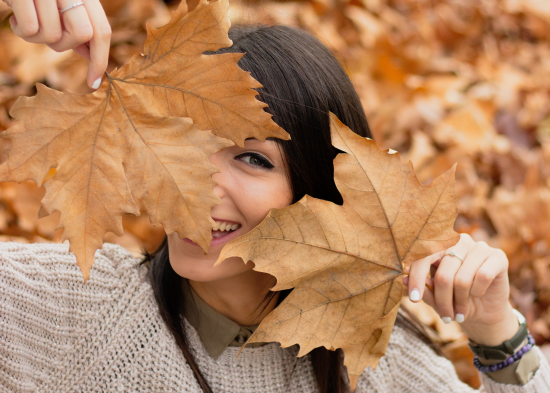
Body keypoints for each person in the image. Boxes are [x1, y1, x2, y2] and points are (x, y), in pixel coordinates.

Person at [1, 1, 550, 392]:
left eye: (252, 158)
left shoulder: (372, 368)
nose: (196, 182)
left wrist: (497, 334)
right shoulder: (65, 309)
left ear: (320, 191)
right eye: (186, 143)